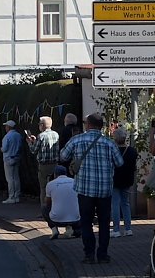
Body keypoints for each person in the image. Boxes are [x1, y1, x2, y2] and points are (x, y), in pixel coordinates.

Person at [60, 113, 123, 264]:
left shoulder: (77, 140)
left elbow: (63, 156)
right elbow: (120, 162)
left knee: (86, 222)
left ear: (88, 125)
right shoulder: (109, 143)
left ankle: (89, 254)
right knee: (103, 223)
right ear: (101, 126)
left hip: (85, 189)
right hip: (104, 190)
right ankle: (102, 254)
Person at [110, 128, 138, 238]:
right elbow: (134, 167)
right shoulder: (132, 151)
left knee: (115, 204)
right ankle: (128, 229)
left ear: (115, 138)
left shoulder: (112, 150)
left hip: (115, 179)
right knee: (125, 203)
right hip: (127, 179)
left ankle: (116, 229)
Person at [28, 116, 60, 206]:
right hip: (54, 164)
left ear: (42, 125)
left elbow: (34, 150)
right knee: (55, 187)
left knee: (44, 188)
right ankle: (55, 206)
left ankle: (44, 209)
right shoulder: (56, 134)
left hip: (44, 165)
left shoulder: (41, 136)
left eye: (39, 124)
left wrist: (30, 143)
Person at [43, 165, 81, 240]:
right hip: (75, 219)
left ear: (55, 174)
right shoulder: (75, 182)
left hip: (56, 220)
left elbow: (47, 202)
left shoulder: (50, 184)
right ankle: (73, 230)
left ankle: (54, 229)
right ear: (66, 173)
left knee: (44, 208)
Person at [0, 120, 24, 204]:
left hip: (8, 158)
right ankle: (17, 196)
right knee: (16, 178)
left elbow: (5, 148)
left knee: (10, 179)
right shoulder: (18, 135)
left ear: (9, 127)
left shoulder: (7, 137)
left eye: (6, 126)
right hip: (16, 157)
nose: (5, 128)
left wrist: (1, 149)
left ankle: (11, 196)